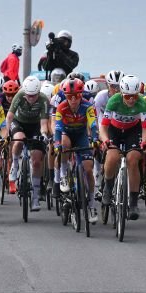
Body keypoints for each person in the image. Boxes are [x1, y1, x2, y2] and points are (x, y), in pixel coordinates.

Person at [99, 74, 146, 220]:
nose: (132, 100)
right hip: (114, 130)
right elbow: (103, 127)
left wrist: (145, 142)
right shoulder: (114, 101)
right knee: (112, 156)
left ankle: (133, 203)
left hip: (132, 131)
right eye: (128, 97)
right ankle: (108, 188)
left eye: (134, 96)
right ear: (122, 94)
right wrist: (105, 140)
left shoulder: (142, 103)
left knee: (133, 160)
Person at [53, 77, 99, 222]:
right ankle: (63, 175)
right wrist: (56, 144)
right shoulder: (61, 107)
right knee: (64, 144)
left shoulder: (87, 107)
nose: (73, 100)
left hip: (81, 136)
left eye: (77, 96)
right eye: (70, 97)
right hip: (66, 133)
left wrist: (96, 139)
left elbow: (93, 125)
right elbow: (58, 128)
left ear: (81, 95)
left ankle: (91, 205)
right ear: (65, 96)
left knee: (88, 169)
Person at [5, 76, 52, 211]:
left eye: (34, 96)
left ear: (38, 92)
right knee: (19, 140)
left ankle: (36, 197)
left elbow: (44, 123)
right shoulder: (19, 95)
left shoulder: (43, 99)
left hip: (36, 126)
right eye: (28, 96)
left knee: (37, 161)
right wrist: (8, 134)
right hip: (19, 123)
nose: (31, 98)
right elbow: (9, 116)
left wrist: (43, 135)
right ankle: (14, 166)